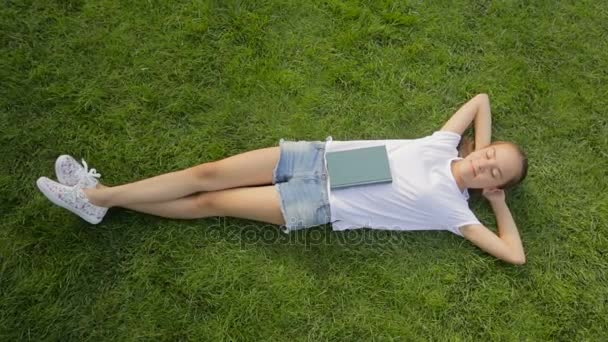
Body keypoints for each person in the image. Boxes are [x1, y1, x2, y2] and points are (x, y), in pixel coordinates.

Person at [36, 93, 528, 264]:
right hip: (318, 157)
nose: (486, 164)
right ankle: (98, 198)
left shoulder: (453, 210)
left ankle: (95, 196)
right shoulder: (442, 144)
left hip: (322, 203)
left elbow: (514, 254)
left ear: (492, 183)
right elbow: (481, 99)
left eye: (495, 171)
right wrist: (472, 145)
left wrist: (494, 200)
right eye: (490, 156)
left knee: (213, 202)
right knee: (204, 173)